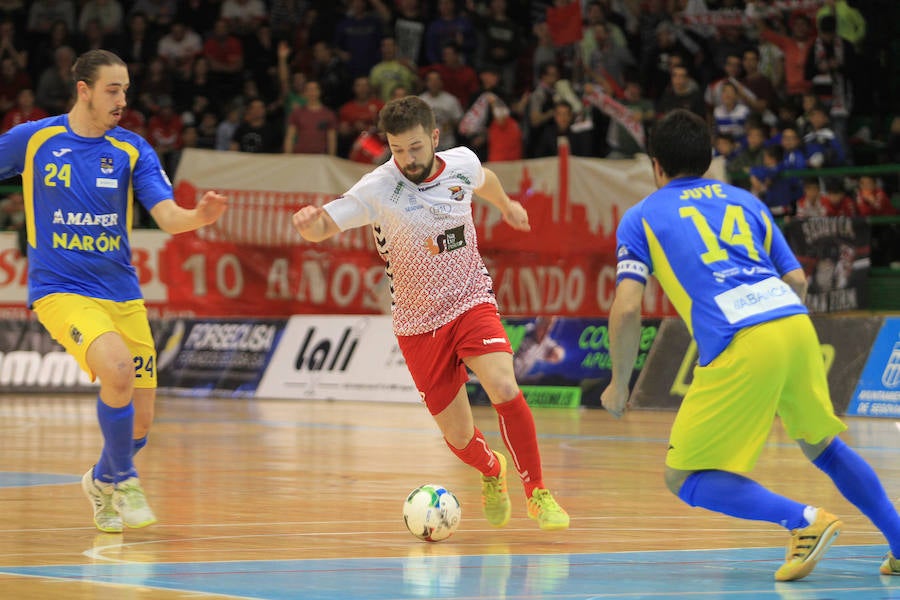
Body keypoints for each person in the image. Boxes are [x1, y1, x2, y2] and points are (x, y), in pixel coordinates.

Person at [600, 108, 900, 581]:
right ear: (709, 159)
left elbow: (627, 308)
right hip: (794, 323)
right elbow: (798, 279)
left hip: (740, 338)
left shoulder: (641, 218)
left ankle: (804, 522)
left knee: (683, 476)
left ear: (656, 165)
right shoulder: (746, 201)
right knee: (823, 445)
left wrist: (619, 384)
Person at [291, 95, 570, 531]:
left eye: (416, 147)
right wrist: (312, 225)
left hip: (469, 299)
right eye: (397, 149)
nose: (407, 158)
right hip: (418, 324)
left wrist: (506, 205)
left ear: (434, 137)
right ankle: (492, 470)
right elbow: (327, 223)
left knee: (502, 384)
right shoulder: (378, 187)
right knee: (458, 438)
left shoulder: (461, 163)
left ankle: (537, 492)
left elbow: (487, 179)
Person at [0, 49, 227, 533]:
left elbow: (166, 215)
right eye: (112, 89)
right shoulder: (35, 139)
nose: (123, 99)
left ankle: (100, 479)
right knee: (118, 371)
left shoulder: (132, 149)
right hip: (61, 289)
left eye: (125, 89)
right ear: (83, 89)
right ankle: (124, 480)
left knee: (140, 424)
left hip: (121, 293)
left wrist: (197, 218)